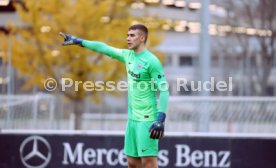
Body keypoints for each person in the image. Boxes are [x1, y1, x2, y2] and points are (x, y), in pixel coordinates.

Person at [60, 24, 169, 168]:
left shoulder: (152, 61)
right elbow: (104, 48)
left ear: (142, 38)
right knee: (132, 163)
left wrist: (160, 119)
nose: (128, 38)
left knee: (149, 163)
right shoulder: (128, 55)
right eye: (127, 35)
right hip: (132, 119)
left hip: (147, 120)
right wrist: (79, 41)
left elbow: (164, 90)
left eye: (132, 35)